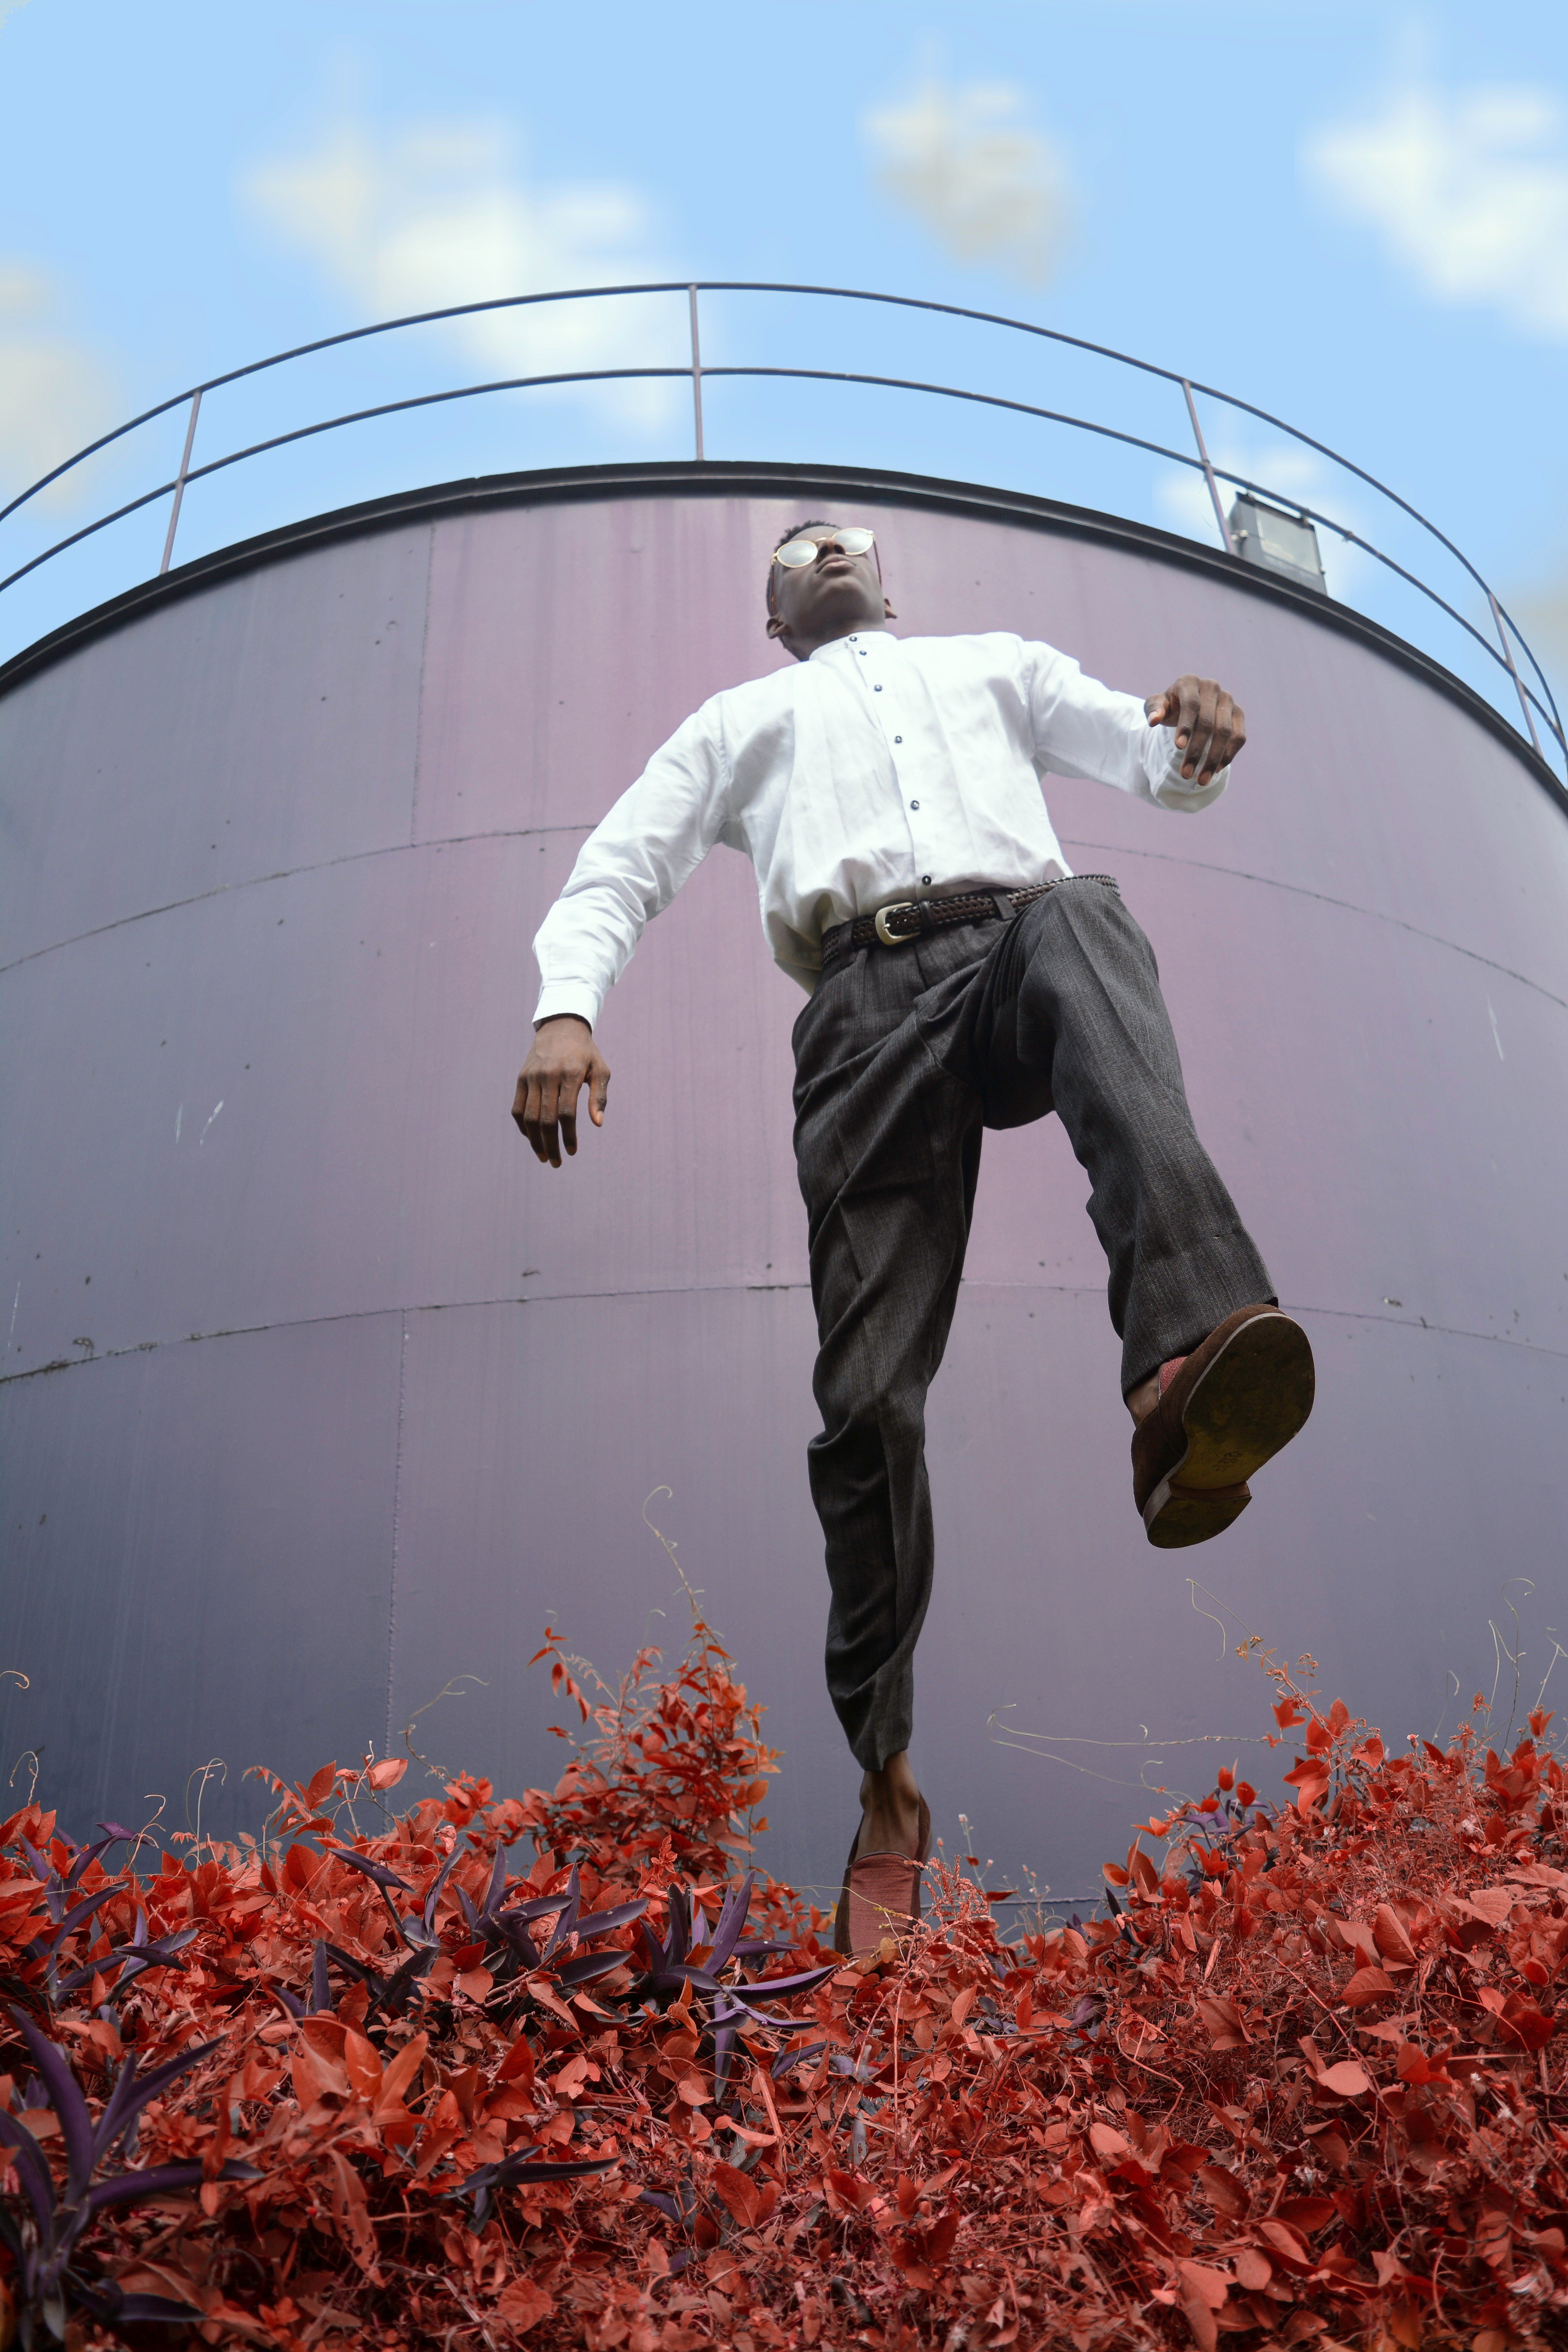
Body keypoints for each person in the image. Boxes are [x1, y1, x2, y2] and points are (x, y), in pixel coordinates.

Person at [512, 520, 1314, 1955]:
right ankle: (884, 1774)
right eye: (794, 554)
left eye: (846, 544)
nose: (823, 552)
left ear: (893, 587)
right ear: (776, 619)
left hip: (1015, 952)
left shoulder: (997, 668)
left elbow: (1142, 753)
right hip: (863, 1016)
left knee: (1086, 912)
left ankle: (1180, 1367)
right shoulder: (741, 723)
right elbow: (621, 864)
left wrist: (1190, 739)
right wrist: (567, 1003)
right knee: (868, 1403)